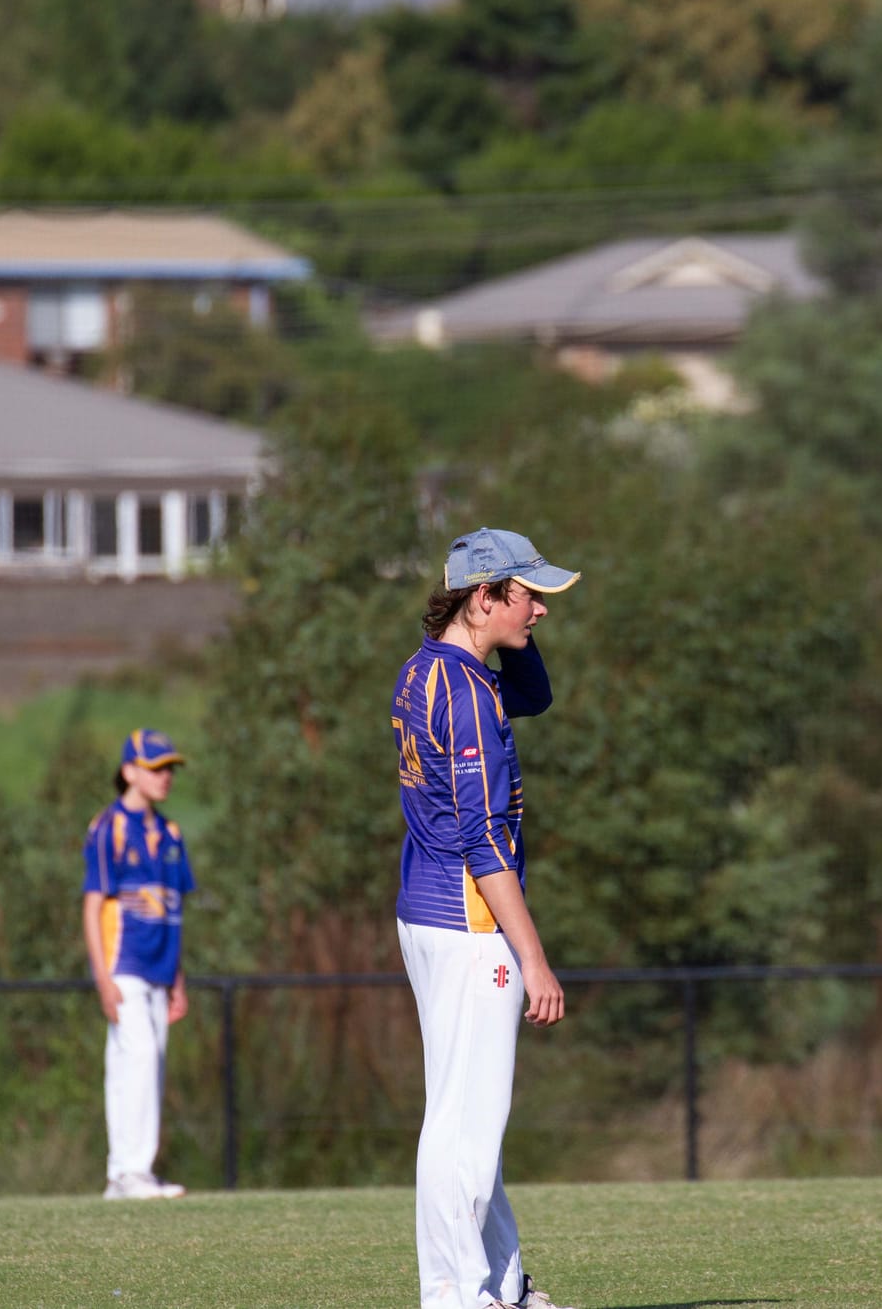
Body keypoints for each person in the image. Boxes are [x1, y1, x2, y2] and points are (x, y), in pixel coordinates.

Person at [392, 527, 581, 1309]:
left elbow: (533, 695)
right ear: (482, 597)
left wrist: (508, 635)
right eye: (527, 595)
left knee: (471, 1115)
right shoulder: (468, 695)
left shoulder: (426, 669)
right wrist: (533, 957)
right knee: (465, 1125)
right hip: (471, 923)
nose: (540, 609)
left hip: (427, 913)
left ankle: (500, 1283)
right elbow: (483, 839)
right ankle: (455, 1293)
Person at [81, 729, 197, 1201]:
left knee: (148, 1064)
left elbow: (173, 909)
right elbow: (93, 907)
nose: (165, 776)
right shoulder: (108, 828)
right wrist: (102, 978)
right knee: (139, 1056)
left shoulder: (170, 834)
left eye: (169, 768)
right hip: (123, 964)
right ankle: (130, 1171)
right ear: (129, 772)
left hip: (159, 969)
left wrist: (178, 979)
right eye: (155, 768)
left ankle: (128, 1175)